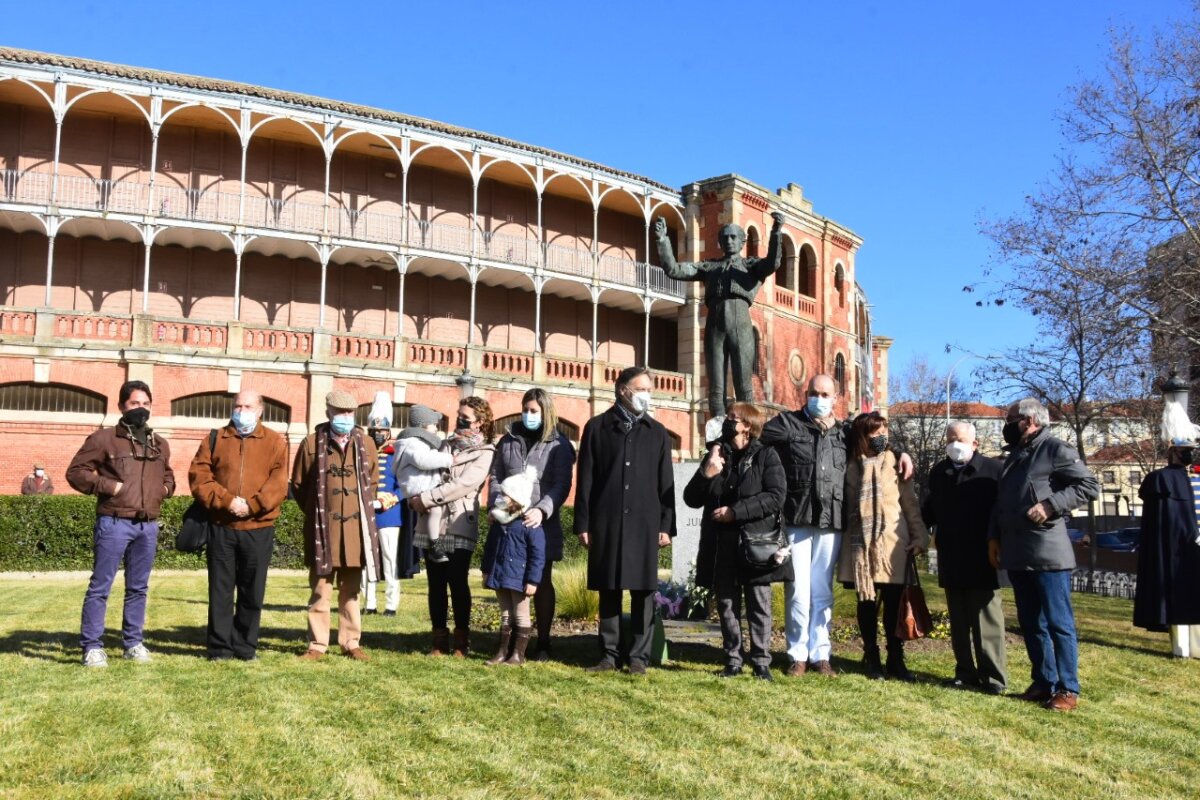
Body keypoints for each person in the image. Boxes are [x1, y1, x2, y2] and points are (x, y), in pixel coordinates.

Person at [760, 373, 914, 678]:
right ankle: (797, 655)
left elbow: (875, 439)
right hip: (797, 518)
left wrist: (902, 452)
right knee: (797, 591)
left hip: (831, 520)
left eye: (825, 394)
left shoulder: (845, 432)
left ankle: (821, 655)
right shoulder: (787, 424)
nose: (819, 399)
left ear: (835, 398)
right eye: (814, 393)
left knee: (822, 591)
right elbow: (758, 440)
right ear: (806, 393)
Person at [989, 397, 1099, 712]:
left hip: (1048, 552)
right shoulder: (1014, 456)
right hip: (1018, 553)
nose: (1006, 425)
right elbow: (1001, 502)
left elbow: (1089, 486)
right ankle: (1043, 682)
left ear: (1030, 420)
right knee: (1031, 623)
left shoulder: (1055, 449)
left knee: (1058, 623)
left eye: (1010, 419)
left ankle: (1067, 689)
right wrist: (994, 537)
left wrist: (1051, 505)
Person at [575, 366, 676, 674]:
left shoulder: (657, 432)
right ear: (623, 390)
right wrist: (583, 523)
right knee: (609, 587)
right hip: (606, 520)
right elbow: (586, 479)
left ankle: (638, 658)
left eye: (649, 390)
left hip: (645, 522)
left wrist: (666, 526)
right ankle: (608, 654)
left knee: (643, 591)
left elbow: (665, 482)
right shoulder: (597, 427)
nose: (646, 395)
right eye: (641, 388)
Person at [67, 380, 175, 667]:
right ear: (121, 406)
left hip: (147, 525)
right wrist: (109, 486)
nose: (141, 408)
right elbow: (76, 472)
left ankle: (133, 643)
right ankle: (92, 646)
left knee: (138, 588)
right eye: (134, 403)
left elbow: (168, 476)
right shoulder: (104, 439)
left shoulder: (159, 443)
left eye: (145, 403)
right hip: (113, 522)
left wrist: (164, 490)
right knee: (101, 586)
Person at [683, 402, 791, 680]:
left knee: (759, 604)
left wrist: (736, 512)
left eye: (733, 418)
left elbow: (776, 496)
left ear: (748, 426)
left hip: (756, 543)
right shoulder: (716, 454)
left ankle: (761, 662)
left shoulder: (766, 455)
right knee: (727, 604)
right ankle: (733, 659)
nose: (727, 421)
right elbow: (691, 498)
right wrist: (706, 473)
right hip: (721, 544)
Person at [187, 390, 289, 661]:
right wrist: (228, 502)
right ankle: (220, 647)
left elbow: (278, 483)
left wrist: (252, 506)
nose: (242, 411)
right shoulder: (216, 438)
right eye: (238, 406)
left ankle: (245, 647)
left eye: (248, 406)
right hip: (222, 526)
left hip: (259, 527)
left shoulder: (275, 441)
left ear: (260, 410)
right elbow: (199, 477)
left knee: (252, 591)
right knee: (220, 590)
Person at [654, 212, 784, 417]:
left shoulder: (751, 266)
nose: (729, 241)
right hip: (715, 326)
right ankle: (717, 428)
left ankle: (747, 426)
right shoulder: (710, 267)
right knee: (716, 387)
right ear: (720, 242)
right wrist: (663, 240)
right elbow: (674, 270)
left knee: (744, 385)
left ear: (742, 242)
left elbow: (773, 263)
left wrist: (776, 232)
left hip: (741, 325)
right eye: (725, 237)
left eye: (733, 237)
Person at [291, 390, 382, 662]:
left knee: (351, 590)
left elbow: (373, 483)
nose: (345, 417)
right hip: (323, 530)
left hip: (355, 532)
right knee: (320, 589)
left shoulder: (366, 443)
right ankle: (317, 644)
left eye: (350, 413)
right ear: (328, 412)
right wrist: (319, 514)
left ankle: (350, 642)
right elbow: (299, 486)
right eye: (340, 412)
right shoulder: (311, 443)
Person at [837, 412, 929, 681]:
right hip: (860, 546)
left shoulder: (895, 462)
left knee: (893, 603)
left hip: (892, 545)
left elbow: (910, 504)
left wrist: (920, 537)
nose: (881, 437)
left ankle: (896, 657)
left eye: (884, 432)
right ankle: (872, 656)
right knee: (866, 602)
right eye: (875, 434)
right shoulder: (848, 464)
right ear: (862, 437)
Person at [489, 387, 575, 660]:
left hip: (540, 523)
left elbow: (562, 484)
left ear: (546, 412)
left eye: (534, 411)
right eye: (525, 409)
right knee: (509, 581)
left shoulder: (559, 444)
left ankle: (544, 643)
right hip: (509, 521)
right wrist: (499, 506)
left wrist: (542, 510)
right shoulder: (508, 440)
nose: (528, 414)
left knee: (541, 581)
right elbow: (496, 476)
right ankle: (513, 643)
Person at [921, 421, 1008, 693]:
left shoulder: (994, 471)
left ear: (975, 443)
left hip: (984, 557)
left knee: (986, 619)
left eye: (959, 439)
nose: (954, 445)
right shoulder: (939, 472)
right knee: (958, 621)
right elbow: (930, 509)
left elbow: (1002, 512)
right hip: (951, 555)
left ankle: (993, 678)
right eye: (950, 440)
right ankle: (965, 673)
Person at [410, 396, 496, 657]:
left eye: (465, 417)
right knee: (436, 582)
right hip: (432, 522)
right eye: (458, 415)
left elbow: (463, 485)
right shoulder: (445, 444)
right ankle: (438, 640)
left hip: (459, 523)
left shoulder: (485, 452)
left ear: (479, 422)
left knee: (457, 581)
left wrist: (426, 499)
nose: (459, 420)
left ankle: (461, 640)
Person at [1134, 380, 1200, 657]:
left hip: (1192, 546)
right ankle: (1182, 648)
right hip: (1177, 549)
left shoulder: (1189, 478)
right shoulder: (1160, 480)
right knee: (1181, 594)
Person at [481, 467, 546, 666]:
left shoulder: (530, 526)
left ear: (516, 499)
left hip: (519, 578)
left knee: (521, 614)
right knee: (505, 614)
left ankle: (518, 654)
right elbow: (490, 548)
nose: (500, 497)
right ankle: (503, 652)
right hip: (500, 574)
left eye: (505, 495)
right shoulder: (498, 522)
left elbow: (537, 556)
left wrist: (533, 580)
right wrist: (486, 570)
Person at [392, 404, 451, 576]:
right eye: (434, 425)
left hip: (419, 486)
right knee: (435, 510)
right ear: (423, 425)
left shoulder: (415, 442)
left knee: (432, 513)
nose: (436, 428)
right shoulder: (413, 444)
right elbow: (423, 460)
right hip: (419, 486)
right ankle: (435, 545)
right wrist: (448, 459)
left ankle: (432, 543)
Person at [362, 392, 404, 616]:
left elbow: (404, 486)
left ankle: (391, 604)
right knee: (367, 559)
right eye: (374, 431)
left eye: (381, 430)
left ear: (388, 432)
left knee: (389, 558)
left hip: (389, 514)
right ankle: (369, 602)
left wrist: (389, 499)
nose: (378, 434)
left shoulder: (396, 454)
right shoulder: (362, 454)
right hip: (367, 512)